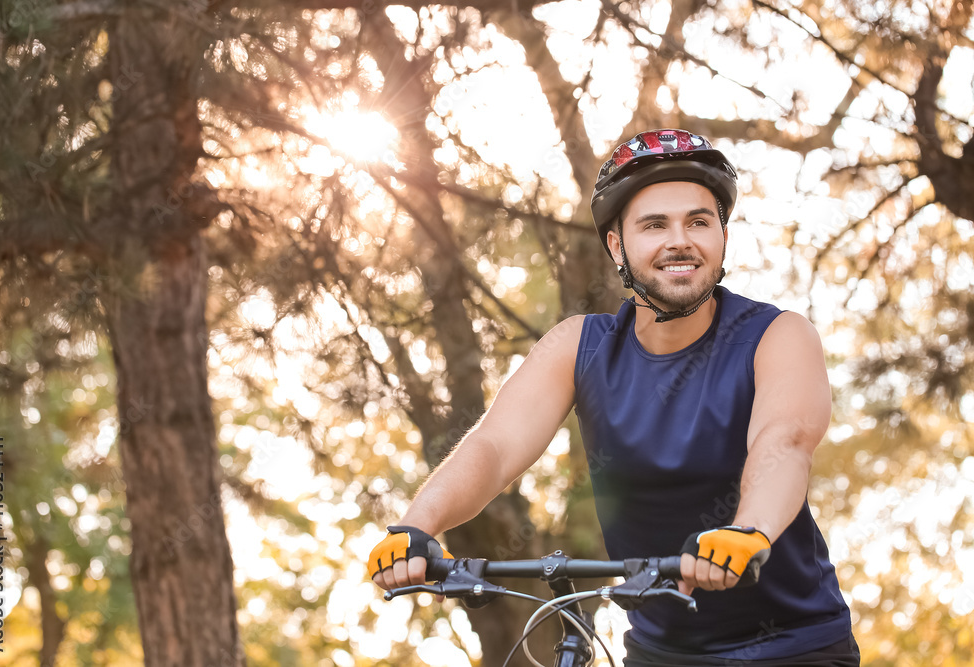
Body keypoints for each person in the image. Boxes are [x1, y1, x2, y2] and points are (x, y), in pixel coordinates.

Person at [367, 129, 859, 665]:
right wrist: (416, 527)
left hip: (798, 648)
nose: (680, 241)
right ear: (617, 245)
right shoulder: (580, 346)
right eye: (655, 225)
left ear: (722, 235)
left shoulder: (776, 335)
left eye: (699, 222)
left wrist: (747, 531)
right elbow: (495, 445)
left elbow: (785, 442)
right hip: (659, 653)